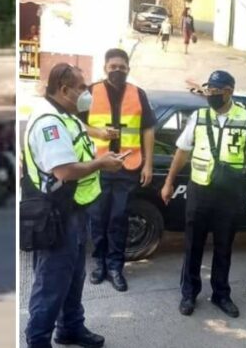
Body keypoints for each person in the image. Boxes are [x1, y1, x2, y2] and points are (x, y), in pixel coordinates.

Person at [23, 62, 124, 348]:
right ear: (64, 89)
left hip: (74, 210)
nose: (87, 93)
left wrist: (101, 134)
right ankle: (37, 340)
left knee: (73, 276)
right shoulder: (49, 122)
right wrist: (102, 163)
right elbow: (65, 171)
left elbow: (80, 130)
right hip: (55, 214)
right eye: (82, 88)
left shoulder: (65, 114)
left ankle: (70, 328)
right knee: (52, 282)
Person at [160, 70, 246, 318]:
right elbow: (182, 151)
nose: (210, 95)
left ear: (229, 92)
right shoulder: (199, 117)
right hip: (200, 190)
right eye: (208, 90)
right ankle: (189, 293)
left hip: (229, 193)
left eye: (215, 91)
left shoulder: (245, 118)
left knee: (224, 246)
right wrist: (169, 182)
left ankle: (221, 294)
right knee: (193, 245)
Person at [85, 48, 156, 292]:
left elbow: (148, 129)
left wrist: (148, 164)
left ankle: (115, 267)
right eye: (113, 67)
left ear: (128, 69)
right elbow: (75, 124)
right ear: (105, 68)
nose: (117, 70)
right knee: (97, 218)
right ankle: (99, 264)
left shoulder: (138, 94)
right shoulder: (90, 92)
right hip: (98, 166)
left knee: (119, 218)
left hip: (128, 167)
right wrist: (98, 132)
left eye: (122, 67)